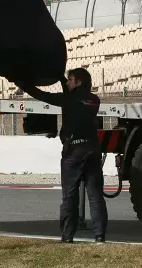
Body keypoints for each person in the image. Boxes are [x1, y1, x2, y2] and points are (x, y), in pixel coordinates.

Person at [14, 68, 108, 244]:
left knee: (69, 196)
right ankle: (100, 235)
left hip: (73, 151)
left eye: (70, 80)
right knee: (95, 195)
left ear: (78, 82)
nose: (67, 83)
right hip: (93, 148)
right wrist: (61, 78)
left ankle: (67, 236)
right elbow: (77, 99)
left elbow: (44, 96)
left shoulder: (68, 99)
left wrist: (24, 85)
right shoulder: (94, 100)